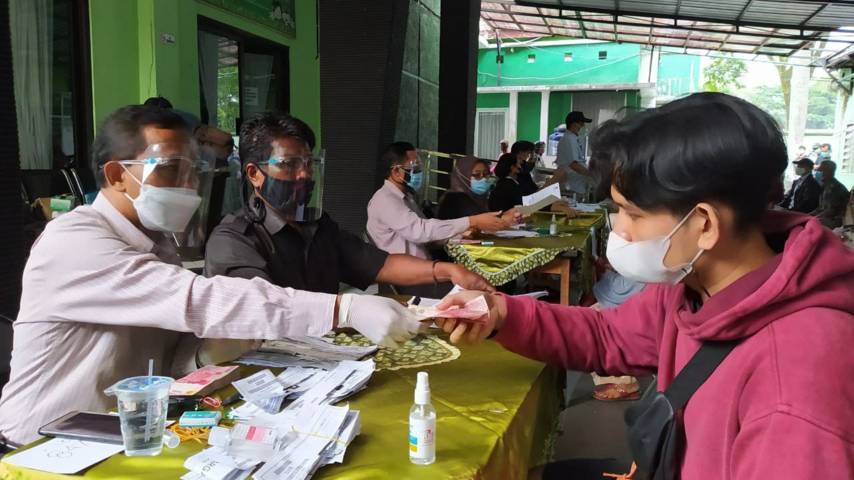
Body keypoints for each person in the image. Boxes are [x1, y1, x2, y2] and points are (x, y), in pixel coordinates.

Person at [436, 93, 854, 479]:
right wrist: (501, 312)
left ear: (704, 224)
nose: (620, 229)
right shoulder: (695, 284)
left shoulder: (797, 388)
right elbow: (610, 335)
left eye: (631, 214)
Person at [0, 105, 422, 447]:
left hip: (121, 437)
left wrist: (208, 353)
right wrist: (342, 306)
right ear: (116, 175)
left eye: (193, 172)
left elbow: (166, 360)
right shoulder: (75, 240)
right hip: (43, 447)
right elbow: (198, 301)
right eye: (170, 170)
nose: (188, 186)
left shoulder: (159, 245)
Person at [205, 112, 492, 296]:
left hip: (328, 361)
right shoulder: (233, 240)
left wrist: (447, 270)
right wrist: (349, 312)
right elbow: (266, 309)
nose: (304, 174)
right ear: (254, 174)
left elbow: (379, 263)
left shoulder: (317, 227)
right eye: (290, 165)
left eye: (309, 163)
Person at [366, 142, 510, 260]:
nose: (420, 172)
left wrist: (460, 236)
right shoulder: (386, 200)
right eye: (415, 168)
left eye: (420, 167)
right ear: (396, 172)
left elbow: (428, 237)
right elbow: (421, 231)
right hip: (408, 277)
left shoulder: (407, 197)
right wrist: (471, 221)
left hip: (425, 265)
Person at [436, 156, 507, 220]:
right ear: (462, 176)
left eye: (485, 174)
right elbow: (480, 221)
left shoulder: (478, 198)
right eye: (476, 175)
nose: (483, 179)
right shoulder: (455, 199)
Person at [551, 111, 593, 199]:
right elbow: (573, 165)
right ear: (574, 124)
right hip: (571, 188)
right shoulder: (569, 140)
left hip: (576, 187)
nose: (583, 126)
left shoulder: (573, 139)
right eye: (581, 123)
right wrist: (592, 175)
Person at [810, 160, 850, 229]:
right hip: (825, 217)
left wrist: (813, 218)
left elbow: (831, 211)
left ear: (830, 171)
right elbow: (821, 207)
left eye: (823, 171)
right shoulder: (825, 186)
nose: (820, 174)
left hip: (836, 220)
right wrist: (808, 215)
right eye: (819, 171)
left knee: (812, 225)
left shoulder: (836, 188)